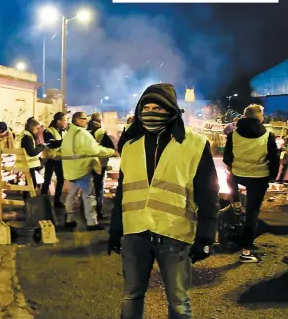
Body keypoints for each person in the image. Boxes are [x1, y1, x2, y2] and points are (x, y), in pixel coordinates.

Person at [108, 83, 220, 319]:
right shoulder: (130, 145)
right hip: (135, 232)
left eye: (157, 107)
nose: (150, 112)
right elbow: (123, 191)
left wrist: (206, 236)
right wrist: (115, 228)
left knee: (178, 301)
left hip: (174, 233)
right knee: (131, 295)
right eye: (145, 107)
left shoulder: (194, 143)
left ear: (171, 109)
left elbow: (208, 193)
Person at [223, 104, 280, 263]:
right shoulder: (268, 135)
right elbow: (274, 159)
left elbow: (227, 159)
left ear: (244, 116)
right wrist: (271, 177)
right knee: (252, 214)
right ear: (261, 118)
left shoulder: (233, 135)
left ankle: (236, 203)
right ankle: (246, 252)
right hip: (259, 178)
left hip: (239, 175)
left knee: (229, 175)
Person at [62, 111, 116, 230]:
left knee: (71, 195)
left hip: (71, 170)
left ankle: (69, 219)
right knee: (89, 196)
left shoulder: (69, 133)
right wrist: (113, 152)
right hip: (82, 169)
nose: (86, 121)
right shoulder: (82, 133)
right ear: (78, 120)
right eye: (84, 119)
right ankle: (92, 222)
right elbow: (95, 150)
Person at [88, 112, 116, 219]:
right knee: (98, 187)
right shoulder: (100, 131)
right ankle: (97, 211)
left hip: (88, 163)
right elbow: (110, 146)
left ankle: (87, 211)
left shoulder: (85, 131)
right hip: (100, 163)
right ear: (100, 121)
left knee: (88, 189)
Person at [42, 112, 66, 207]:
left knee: (61, 180)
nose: (65, 122)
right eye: (64, 120)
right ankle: (43, 201)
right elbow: (51, 144)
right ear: (58, 121)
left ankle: (57, 201)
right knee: (47, 180)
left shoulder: (62, 131)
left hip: (59, 159)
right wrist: (64, 141)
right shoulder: (48, 131)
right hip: (50, 159)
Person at [16, 118, 46, 189]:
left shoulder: (26, 135)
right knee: (31, 185)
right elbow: (32, 152)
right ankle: (28, 200)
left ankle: (27, 199)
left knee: (30, 185)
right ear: (32, 127)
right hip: (28, 164)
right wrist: (42, 147)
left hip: (27, 164)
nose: (38, 130)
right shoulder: (27, 137)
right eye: (37, 128)